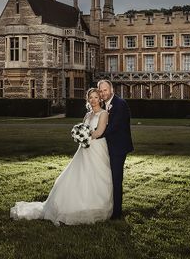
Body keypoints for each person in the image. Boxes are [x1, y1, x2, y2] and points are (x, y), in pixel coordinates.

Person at [10, 88, 113, 225]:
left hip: (98, 148)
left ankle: (96, 206)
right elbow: (83, 127)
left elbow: (99, 131)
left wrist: (85, 137)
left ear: (100, 99)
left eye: (95, 97)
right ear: (88, 100)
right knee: (80, 175)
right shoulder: (87, 115)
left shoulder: (104, 113)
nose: (93, 100)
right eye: (91, 97)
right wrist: (79, 136)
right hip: (84, 149)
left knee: (97, 176)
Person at [97, 79, 134, 220]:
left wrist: (96, 135)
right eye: (100, 90)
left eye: (105, 90)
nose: (102, 93)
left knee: (116, 179)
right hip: (107, 147)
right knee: (107, 178)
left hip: (118, 148)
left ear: (111, 90)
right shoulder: (103, 104)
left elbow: (114, 127)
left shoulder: (120, 104)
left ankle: (117, 212)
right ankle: (108, 206)